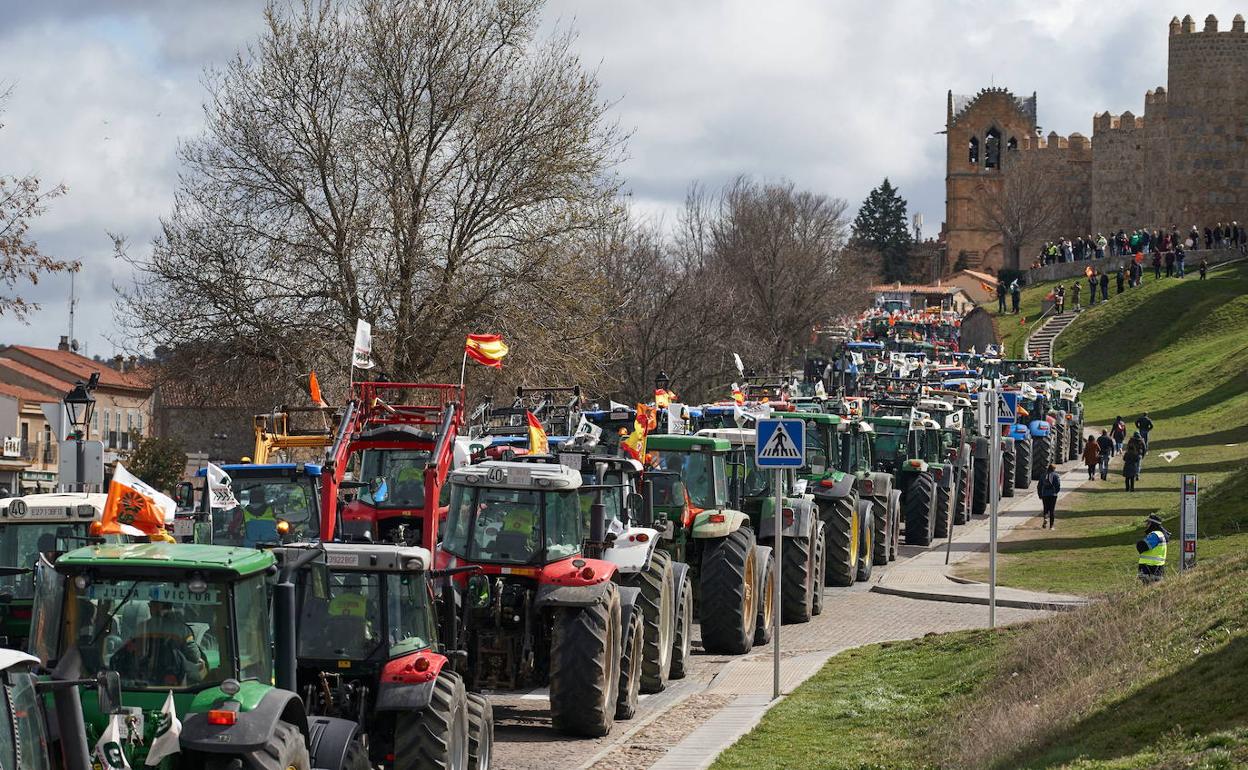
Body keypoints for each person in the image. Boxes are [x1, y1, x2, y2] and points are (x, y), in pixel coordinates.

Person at [1136, 514, 1169, 584]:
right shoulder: (1159, 534)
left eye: (1148, 523)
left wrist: (1139, 543)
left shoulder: (1155, 535)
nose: (1146, 525)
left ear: (1152, 524)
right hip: (1155, 568)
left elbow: (1142, 546)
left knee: (1148, 591)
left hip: (1151, 568)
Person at [1038, 463, 1060, 529]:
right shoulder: (1056, 475)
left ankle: (1045, 518)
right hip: (1053, 495)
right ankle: (1051, 526)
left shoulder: (1043, 475)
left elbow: (1039, 486)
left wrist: (1040, 494)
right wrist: (1056, 492)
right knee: (1052, 510)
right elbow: (1058, 485)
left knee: (1045, 508)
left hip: (1044, 494)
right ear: (1054, 469)